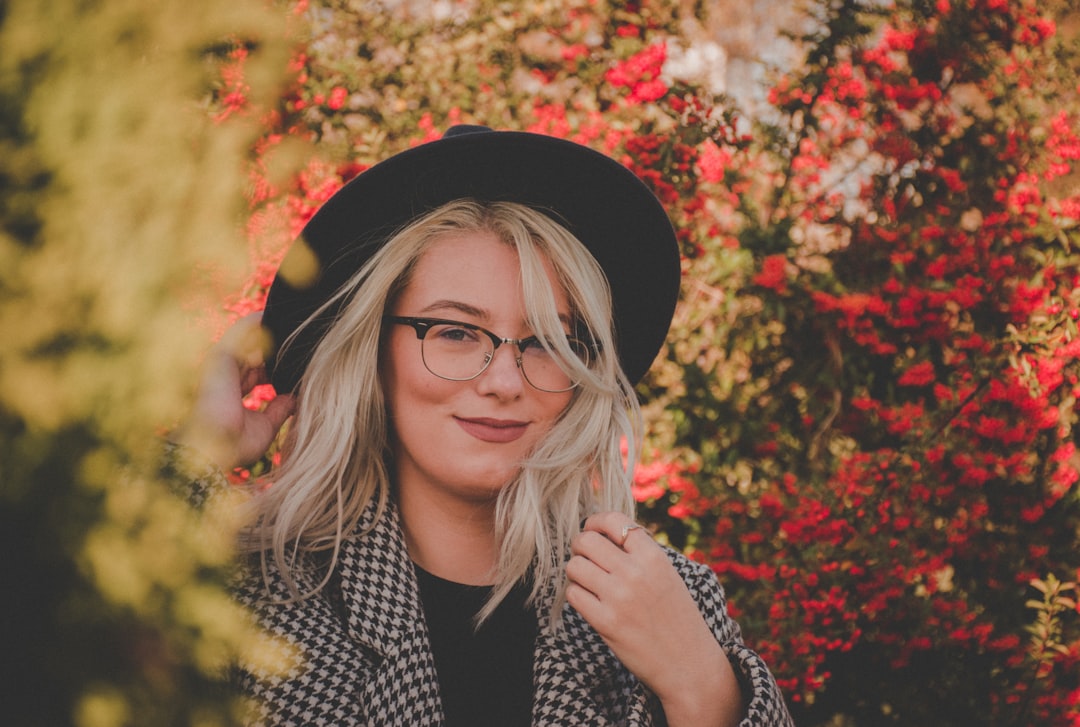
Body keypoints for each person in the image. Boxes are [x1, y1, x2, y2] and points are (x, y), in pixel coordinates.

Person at [176, 125, 794, 726]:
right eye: (454, 333)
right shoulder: (243, 586)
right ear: (374, 352)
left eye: (549, 342)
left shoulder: (672, 602)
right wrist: (196, 452)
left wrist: (704, 690)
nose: (504, 381)